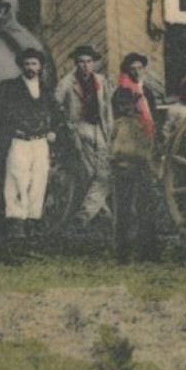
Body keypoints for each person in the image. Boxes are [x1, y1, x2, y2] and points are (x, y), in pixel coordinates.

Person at [0, 48, 58, 238]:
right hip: (19, 140)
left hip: (40, 143)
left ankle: (34, 222)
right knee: (17, 180)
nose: (30, 67)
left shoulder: (46, 90)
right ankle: (16, 224)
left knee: (38, 181)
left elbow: (55, 114)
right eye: (27, 64)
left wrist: (53, 131)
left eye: (34, 64)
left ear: (40, 67)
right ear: (21, 66)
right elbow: (2, 116)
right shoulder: (10, 88)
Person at [110, 52, 165, 260]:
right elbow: (129, 116)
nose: (137, 71)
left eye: (140, 67)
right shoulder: (122, 93)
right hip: (127, 152)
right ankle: (123, 251)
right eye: (132, 68)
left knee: (146, 202)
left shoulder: (147, 92)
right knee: (124, 204)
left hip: (144, 152)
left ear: (144, 69)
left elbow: (152, 118)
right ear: (127, 71)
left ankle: (147, 249)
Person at [56, 45, 113, 227]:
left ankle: (88, 213)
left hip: (99, 129)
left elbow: (108, 108)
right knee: (90, 173)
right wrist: (68, 126)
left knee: (105, 172)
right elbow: (55, 106)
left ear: (94, 63)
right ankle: (95, 214)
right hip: (80, 129)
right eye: (81, 62)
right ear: (76, 63)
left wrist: (110, 130)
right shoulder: (66, 83)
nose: (85, 65)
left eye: (89, 62)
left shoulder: (101, 81)